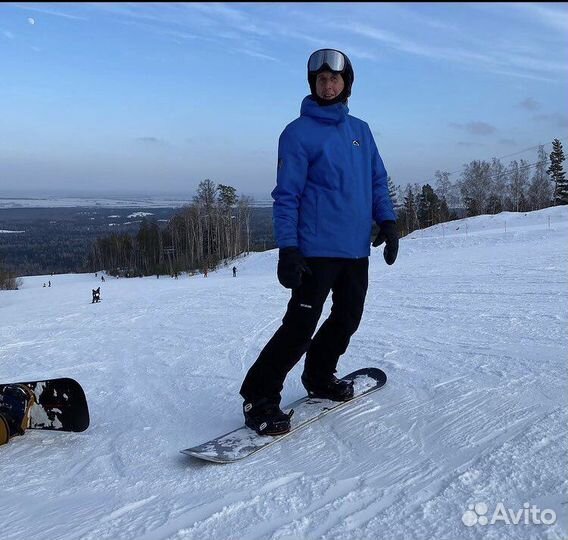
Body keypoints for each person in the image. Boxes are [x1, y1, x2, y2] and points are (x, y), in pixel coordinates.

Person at [239, 48, 399, 436]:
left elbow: (377, 180)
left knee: (347, 318)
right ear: (313, 83)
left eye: (335, 79)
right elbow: (287, 195)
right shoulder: (297, 134)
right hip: (315, 251)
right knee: (300, 326)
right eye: (321, 79)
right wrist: (288, 248)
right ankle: (258, 396)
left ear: (347, 84)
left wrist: (389, 221)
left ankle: (319, 375)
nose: (328, 85)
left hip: (355, 250)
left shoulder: (360, 130)